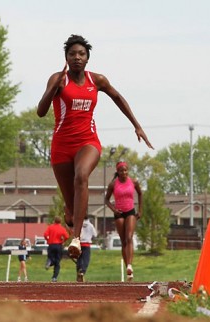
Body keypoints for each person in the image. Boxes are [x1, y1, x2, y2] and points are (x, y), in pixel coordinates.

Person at [37, 34, 153, 260]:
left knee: (81, 176)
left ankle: (77, 239)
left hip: (87, 142)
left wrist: (136, 126)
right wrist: (54, 88)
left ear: (88, 58)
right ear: (66, 58)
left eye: (81, 54)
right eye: (72, 54)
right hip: (61, 146)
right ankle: (71, 217)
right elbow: (40, 112)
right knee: (70, 212)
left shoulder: (96, 80)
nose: (77, 58)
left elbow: (118, 97)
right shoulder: (57, 79)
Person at [105, 161, 143, 281]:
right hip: (119, 213)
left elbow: (141, 194)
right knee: (123, 241)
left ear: (128, 171)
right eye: (121, 171)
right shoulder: (113, 184)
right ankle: (128, 269)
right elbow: (106, 200)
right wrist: (114, 209)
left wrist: (140, 210)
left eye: (126, 170)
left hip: (130, 211)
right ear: (118, 172)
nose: (124, 173)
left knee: (129, 237)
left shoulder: (133, 182)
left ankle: (130, 265)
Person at [43, 216, 69, 282]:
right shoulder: (62, 228)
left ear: (54, 221)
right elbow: (67, 236)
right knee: (57, 262)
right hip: (58, 245)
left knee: (50, 257)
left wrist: (48, 239)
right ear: (60, 221)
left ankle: (49, 262)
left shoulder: (50, 227)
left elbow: (45, 234)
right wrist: (63, 241)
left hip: (51, 245)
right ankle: (54, 277)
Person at [76, 215, 97, 282]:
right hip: (87, 244)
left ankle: (78, 271)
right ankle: (82, 271)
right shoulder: (90, 225)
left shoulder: (79, 225)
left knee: (79, 259)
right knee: (86, 259)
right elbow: (95, 234)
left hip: (79, 244)